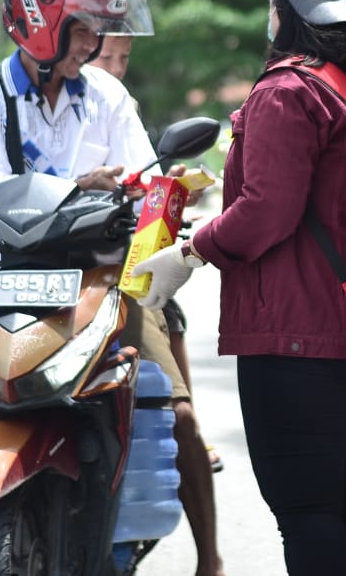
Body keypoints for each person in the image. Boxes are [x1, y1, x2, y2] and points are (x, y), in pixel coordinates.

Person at [0, 0, 223, 576]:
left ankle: (211, 560)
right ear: (41, 22)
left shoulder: (106, 95)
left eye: (97, 31)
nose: (94, 44)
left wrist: (167, 195)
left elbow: (142, 178)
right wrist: (82, 186)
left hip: (103, 276)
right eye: (83, 29)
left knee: (175, 411)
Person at [129, 0, 346, 576]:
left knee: (307, 512)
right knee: (345, 501)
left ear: (284, 9)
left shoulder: (288, 91)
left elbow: (268, 211)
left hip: (297, 338)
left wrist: (191, 251)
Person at [89, 34, 224, 474]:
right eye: (106, 56)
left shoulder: (117, 104)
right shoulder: (9, 99)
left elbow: (144, 190)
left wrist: (174, 192)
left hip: (117, 263)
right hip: (45, 267)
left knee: (178, 410)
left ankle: (190, 439)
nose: (115, 67)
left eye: (123, 58)